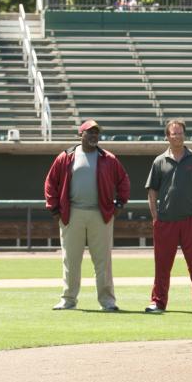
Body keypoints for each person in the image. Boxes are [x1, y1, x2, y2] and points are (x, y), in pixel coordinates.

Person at [44, 119, 130, 311]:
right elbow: (50, 183)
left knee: (103, 262)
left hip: (101, 215)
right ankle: (68, 300)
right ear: (80, 135)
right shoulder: (66, 157)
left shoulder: (108, 158)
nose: (93, 136)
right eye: (89, 132)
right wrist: (55, 209)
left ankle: (107, 301)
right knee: (71, 259)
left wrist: (119, 204)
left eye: (96, 133)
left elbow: (123, 180)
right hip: (72, 214)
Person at [144, 119, 192, 313]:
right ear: (167, 137)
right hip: (165, 221)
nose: (177, 136)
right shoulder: (159, 161)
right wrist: (155, 217)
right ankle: (158, 302)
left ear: (185, 134)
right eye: (173, 133)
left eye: (180, 133)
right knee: (162, 266)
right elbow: (152, 192)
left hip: (191, 219)